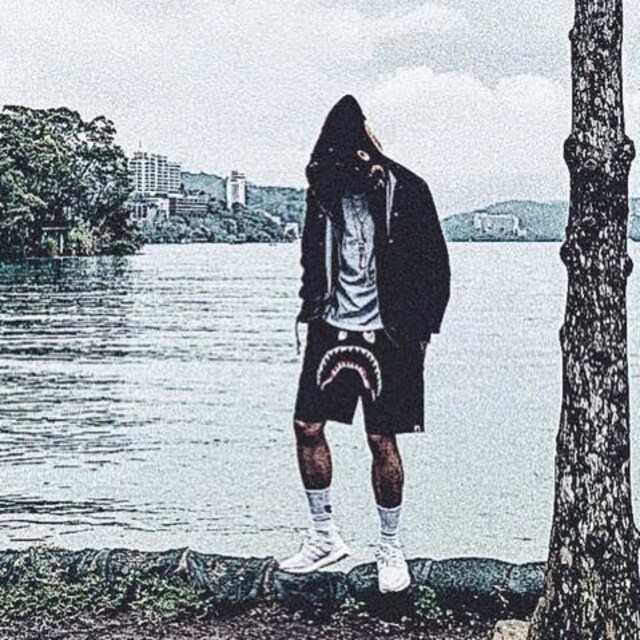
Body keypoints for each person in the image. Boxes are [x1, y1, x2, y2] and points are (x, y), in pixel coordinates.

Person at [279, 95, 451, 593]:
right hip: (330, 328)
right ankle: (323, 536)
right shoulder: (323, 194)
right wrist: (310, 304)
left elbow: (436, 267)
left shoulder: (408, 190)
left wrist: (423, 334)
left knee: (381, 439)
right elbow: (312, 256)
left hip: (389, 334)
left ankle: (390, 545)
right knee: (307, 427)